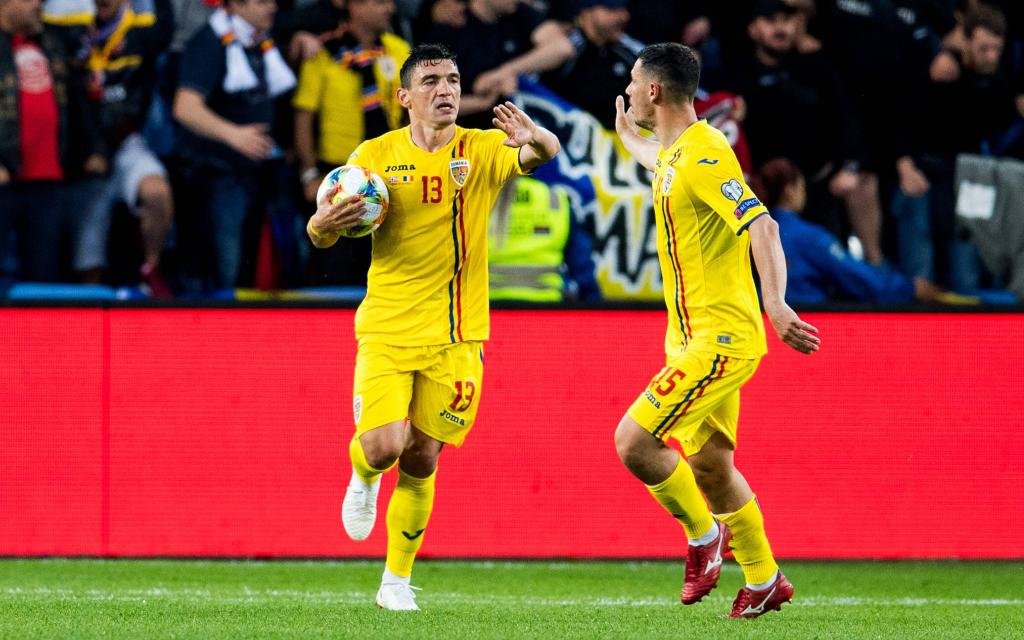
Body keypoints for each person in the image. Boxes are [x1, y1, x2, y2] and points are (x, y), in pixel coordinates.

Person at [306, 43, 560, 611]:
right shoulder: (373, 157)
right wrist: (321, 223)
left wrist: (534, 136)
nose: (445, 90)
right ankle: (363, 476)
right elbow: (323, 232)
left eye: (453, 79)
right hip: (389, 327)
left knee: (422, 457)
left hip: (460, 334)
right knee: (383, 446)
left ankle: (395, 582)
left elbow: (546, 151)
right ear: (404, 97)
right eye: (431, 82)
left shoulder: (485, 148)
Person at [612, 43, 819, 619]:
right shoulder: (679, 153)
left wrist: (776, 306)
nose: (628, 90)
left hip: (721, 340)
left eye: (633, 82)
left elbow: (764, 226)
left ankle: (705, 537)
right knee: (710, 466)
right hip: (691, 337)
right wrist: (627, 134)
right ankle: (764, 578)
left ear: (655, 89)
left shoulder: (706, 154)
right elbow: (659, 162)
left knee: (633, 442)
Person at [172, 0, 296, 292]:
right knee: (224, 270)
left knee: (251, 271)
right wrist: (235, 135)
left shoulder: (260, 38)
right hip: (217, 176)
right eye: (262, 1)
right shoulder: (209, 41)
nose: (273, 6)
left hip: (256, 175)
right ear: (236, 4)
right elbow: (185, 107)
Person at [293, 0, 409, 287]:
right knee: (334, 262)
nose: (389, 8)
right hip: (338, 172)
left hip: (386, 168)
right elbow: (304, 115)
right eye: (380, 2)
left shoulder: (398, 49)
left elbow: (411, 112)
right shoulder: (324, 52)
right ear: (354, 6)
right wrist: (309, 173)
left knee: (382, 262)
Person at [62, 0, 175, 296]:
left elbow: (166, 24)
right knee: (89, 257)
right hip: (82, 153)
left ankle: (150, 271)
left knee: (157, 193)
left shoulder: (140, 34)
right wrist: (92, 150)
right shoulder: (66, 34)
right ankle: (90, 304)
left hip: (127, 146)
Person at [753, 157, 971, 305]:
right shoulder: (808, 237)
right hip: (806, 323)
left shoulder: (749, 232)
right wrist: (909, 288)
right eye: (802, 187)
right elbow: (856, 276)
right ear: (791, 190)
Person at [0, 0, 107, 283]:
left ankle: (36, 330)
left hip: (49, 180)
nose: (40, 5)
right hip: (5, 179)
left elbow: (77, 99)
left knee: (44, 278)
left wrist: (93, 148)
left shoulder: (53, 42)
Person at [488, 175, 601, 303]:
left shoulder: (480, 199)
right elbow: (583, 270)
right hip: (546, 311)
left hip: (489, 310)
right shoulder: (555, 200)